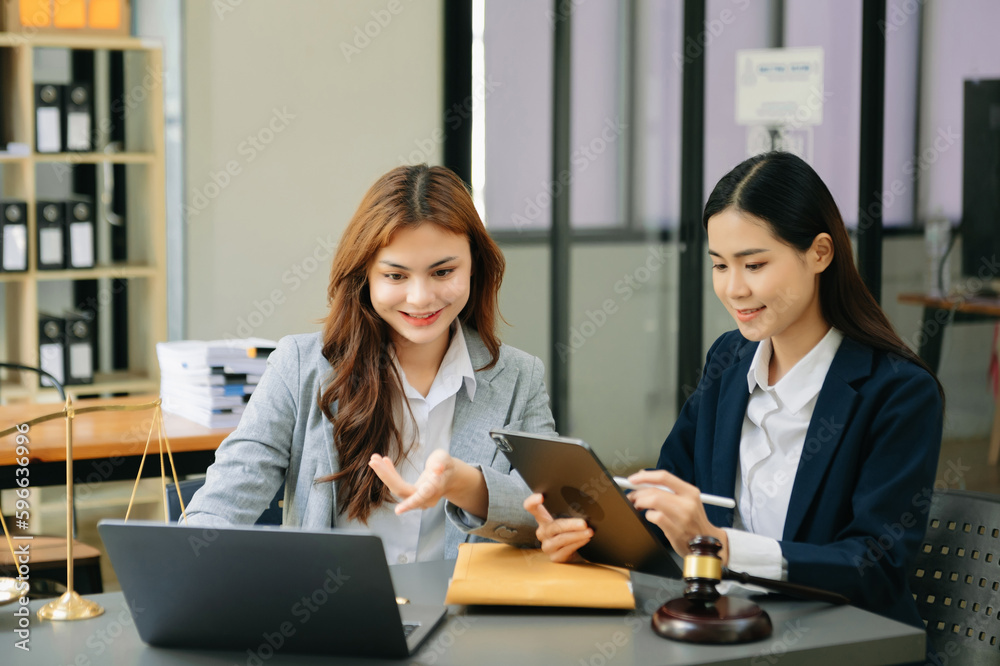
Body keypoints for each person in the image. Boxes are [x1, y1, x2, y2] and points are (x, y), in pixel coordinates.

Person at [525, 151, 944, 627]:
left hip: (838, 641)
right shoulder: (729, 361)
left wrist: (721, 547)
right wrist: (588, 534)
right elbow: (667, 497)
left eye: (754, 264)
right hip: (723, 627)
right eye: (720, 266)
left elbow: (878, 566)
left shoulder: (899, 393)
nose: (734, 289)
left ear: (820, 253)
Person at [185, 164, 554, 563]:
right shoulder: (299, 366)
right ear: (366, 276)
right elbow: (226, 498)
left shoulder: (520, 377)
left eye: (443, 271)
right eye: (396, 276)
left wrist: (464, 484)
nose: (420, 298)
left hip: (459, 603)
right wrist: (184, 564)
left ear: (474, 266)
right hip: (331, 601)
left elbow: (547, 518)